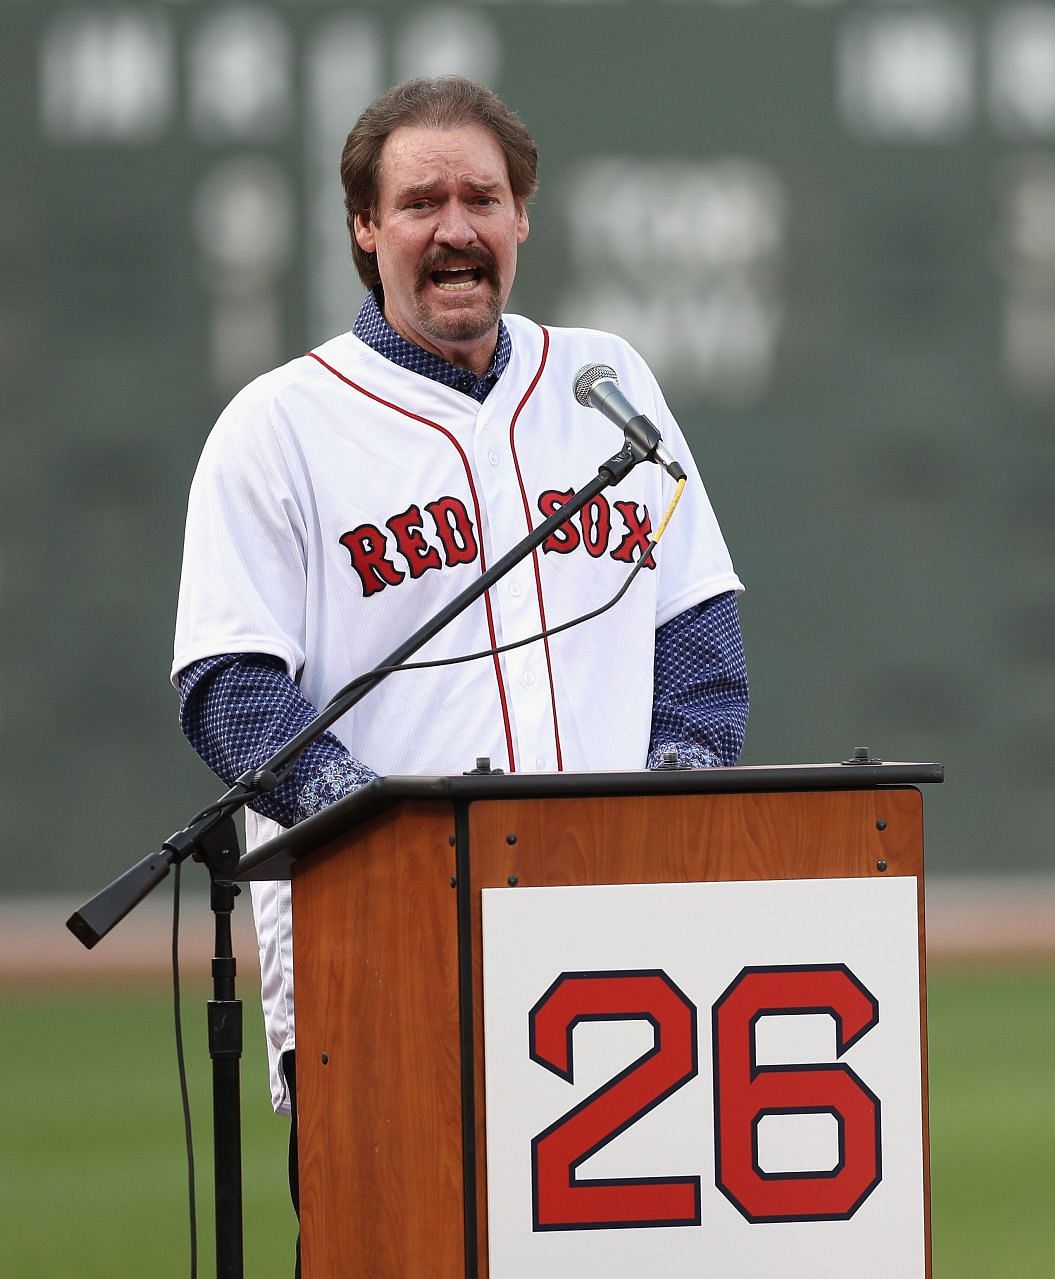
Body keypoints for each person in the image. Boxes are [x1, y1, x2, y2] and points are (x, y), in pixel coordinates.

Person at [170, 75, 748, 1234]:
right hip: (381, 959)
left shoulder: (607, 384)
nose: (455, 228)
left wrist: (671, 808)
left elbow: (698, 632)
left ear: (522, 218)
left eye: (482, 197)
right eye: (420, 201)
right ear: (364, 228)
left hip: (614, 949)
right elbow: (228, 687)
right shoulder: (279, 426)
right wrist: (397, 844)